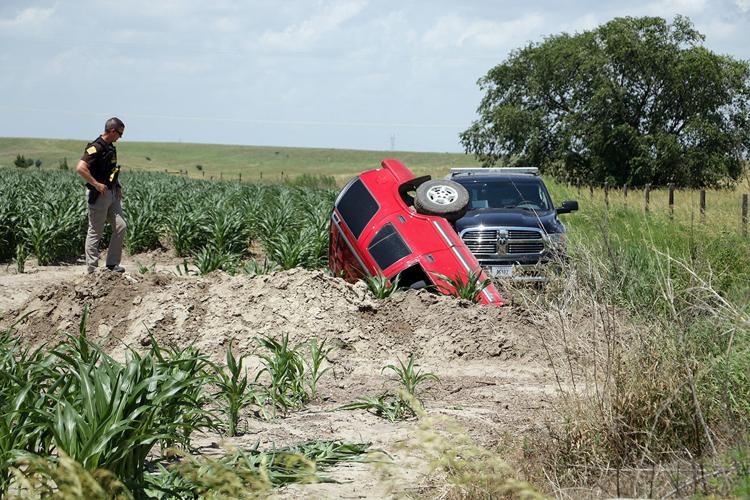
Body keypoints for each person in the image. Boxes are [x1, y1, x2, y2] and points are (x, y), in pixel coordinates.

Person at [75, 117, 127, 274]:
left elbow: (111, 170)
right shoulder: (95, 147)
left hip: (111, 193)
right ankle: (92, 269)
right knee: (95, 231)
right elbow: (80, 168)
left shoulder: (111, 148)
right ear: (112, 131)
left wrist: (117, 186)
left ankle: (112, 264)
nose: (120, 137)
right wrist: (96, 184)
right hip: (98, 195)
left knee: (121, 226)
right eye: (119, 133)